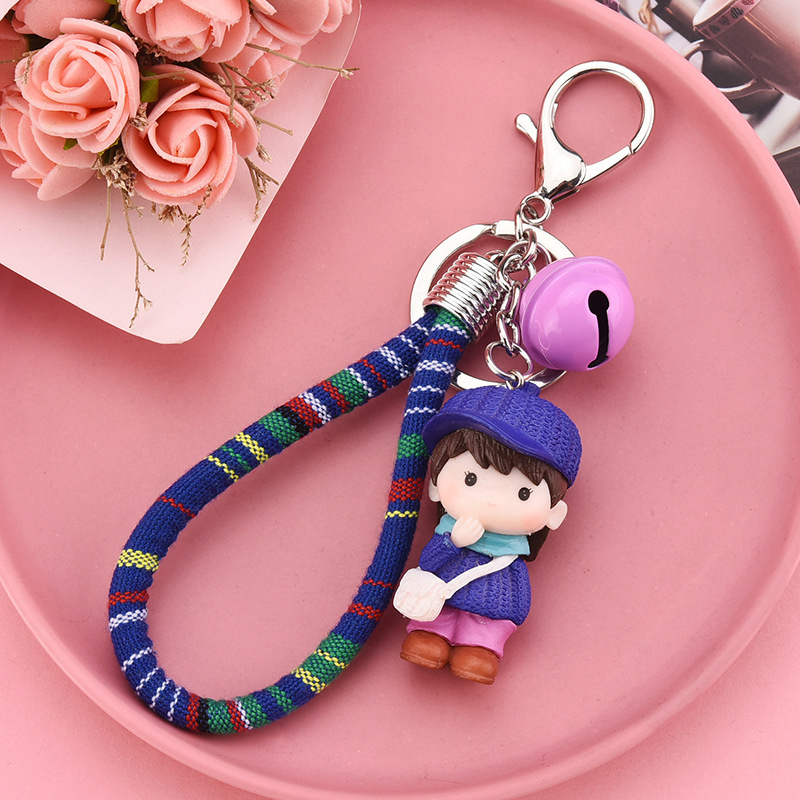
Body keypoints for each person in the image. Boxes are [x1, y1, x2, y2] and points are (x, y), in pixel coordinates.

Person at [398, 382, 581, 684]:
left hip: (488, 613)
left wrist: (512, 613)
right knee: (435, 621)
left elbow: (517, 597)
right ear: (435, 484)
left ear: (554, 514)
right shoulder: (449, 534)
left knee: (486, 629)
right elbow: (429, 563)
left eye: (523, 493)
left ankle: (480, 648)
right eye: (470, 478)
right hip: (441, 602)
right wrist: (454, 542)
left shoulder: (511, 556)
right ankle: (429, 635)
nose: (491, 499)